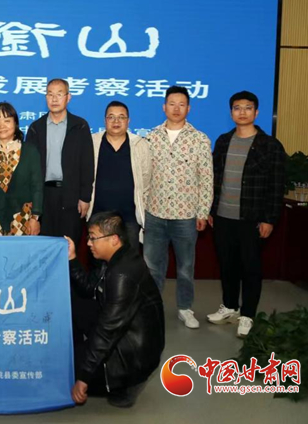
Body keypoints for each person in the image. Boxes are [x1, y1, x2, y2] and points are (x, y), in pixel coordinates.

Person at [207, 91, 286, 337]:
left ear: (256, 112)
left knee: (251, 268)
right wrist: (210, 209)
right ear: (231, 112)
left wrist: (269, 219)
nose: (242, 112)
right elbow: (214, 178)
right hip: (222, 216)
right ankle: (230, 306)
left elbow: (276, 185)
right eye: (237, 108)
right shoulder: (223, 141)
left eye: (248, 107)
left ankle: (247, 314)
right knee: (227, 265)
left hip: (252, 218)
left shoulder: (270, 146)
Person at [68, 212, 165, 408]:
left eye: (93, 238)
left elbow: (107, 331)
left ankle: (127, 384)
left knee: (66, 369)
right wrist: (72, 258)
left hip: (133, 354)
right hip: (124, 331)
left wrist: (83, 377)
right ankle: (78, 351)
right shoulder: (115, 257)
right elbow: (88, 287)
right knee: (75, 300)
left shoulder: (123, 275)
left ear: (113, 239)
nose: (88, 243)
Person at [143, 86, 213, 329]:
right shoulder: (151, 137)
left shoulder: (200, 139)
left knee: (185, 267)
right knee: (152, 267)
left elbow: (206, 178)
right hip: (155, 212)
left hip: (186, 215)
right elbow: (144, 176)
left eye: (181, 104)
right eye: (171, 103)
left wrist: (203, 212)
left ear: (188, 108)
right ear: (164, 107)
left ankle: (185, 308)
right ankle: (152, 309)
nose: (176, 108)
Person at [26, 78, 94, 243]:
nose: (54, 99)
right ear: (46, 97)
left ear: (68, 97)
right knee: (44, 246)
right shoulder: (36, 128)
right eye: (50, 94)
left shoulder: (80, 126)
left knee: (69, 246)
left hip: (71, 196)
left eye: (59, 94)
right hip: (44, 196)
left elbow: (87, 164)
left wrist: (85, 197)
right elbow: (28, 168)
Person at [87, 101, 151, 245]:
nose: (116, 121)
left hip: (129, 219)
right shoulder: (93, 142)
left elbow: (146, 179)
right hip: (98, 216)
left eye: (121, 117)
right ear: (105, 120)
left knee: (129, 257)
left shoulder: (139, 144)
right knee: (99, 258)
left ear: (128, 121)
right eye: (111, 117)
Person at [0, 102, 43, 236]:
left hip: (24, 218)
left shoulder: (30, 151)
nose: (2, 126)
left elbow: (37, 186)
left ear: (15, 123)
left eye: (7, 121)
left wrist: (35, 216)